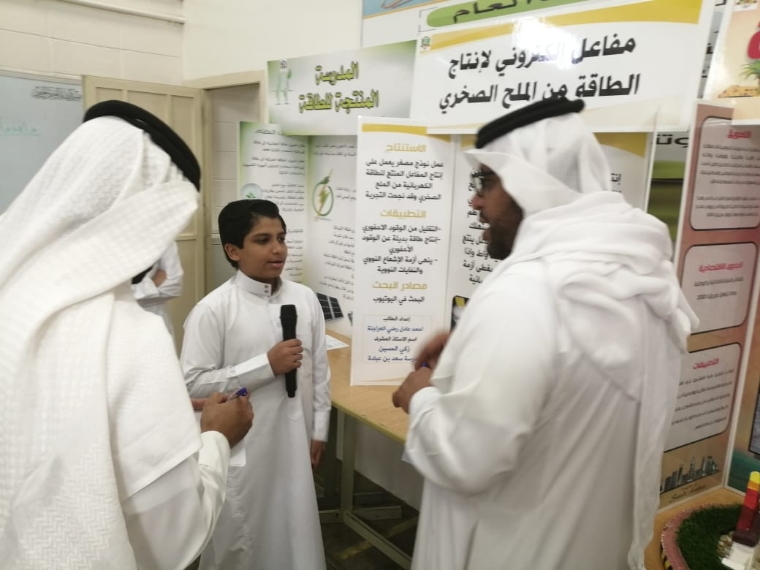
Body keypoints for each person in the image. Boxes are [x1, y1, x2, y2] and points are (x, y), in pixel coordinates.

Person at [391, 98, 698, 570]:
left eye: (487, 182)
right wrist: (472, 349)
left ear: (527, 183)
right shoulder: (641, 275)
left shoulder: (527, 292)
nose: (475, 201)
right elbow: (572, 375)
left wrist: (421, 398)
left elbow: (465, 459)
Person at [0, 100, 254, 570]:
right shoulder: (127, 336)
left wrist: (166, 411)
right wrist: (218, 438)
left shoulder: (12, 297)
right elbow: (173, 539)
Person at [181, 199, 331, 570]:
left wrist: (320, 430)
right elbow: (193, 385)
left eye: (281, 238)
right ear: (233, 250)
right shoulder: (213, 310)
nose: (278, 249)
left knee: (296, 530)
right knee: (244, 537)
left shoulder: (305, 299)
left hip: (296, 438)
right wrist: (265, 366)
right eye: (263, 240)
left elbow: (319, 371)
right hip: (244, 448)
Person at [131, 241, 184, 340]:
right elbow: (103, 292)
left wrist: (126, 292)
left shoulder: (165, 239)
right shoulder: (104, 240)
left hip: (154, 322)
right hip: (114, 322)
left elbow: (174, 288)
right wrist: (152, 284)